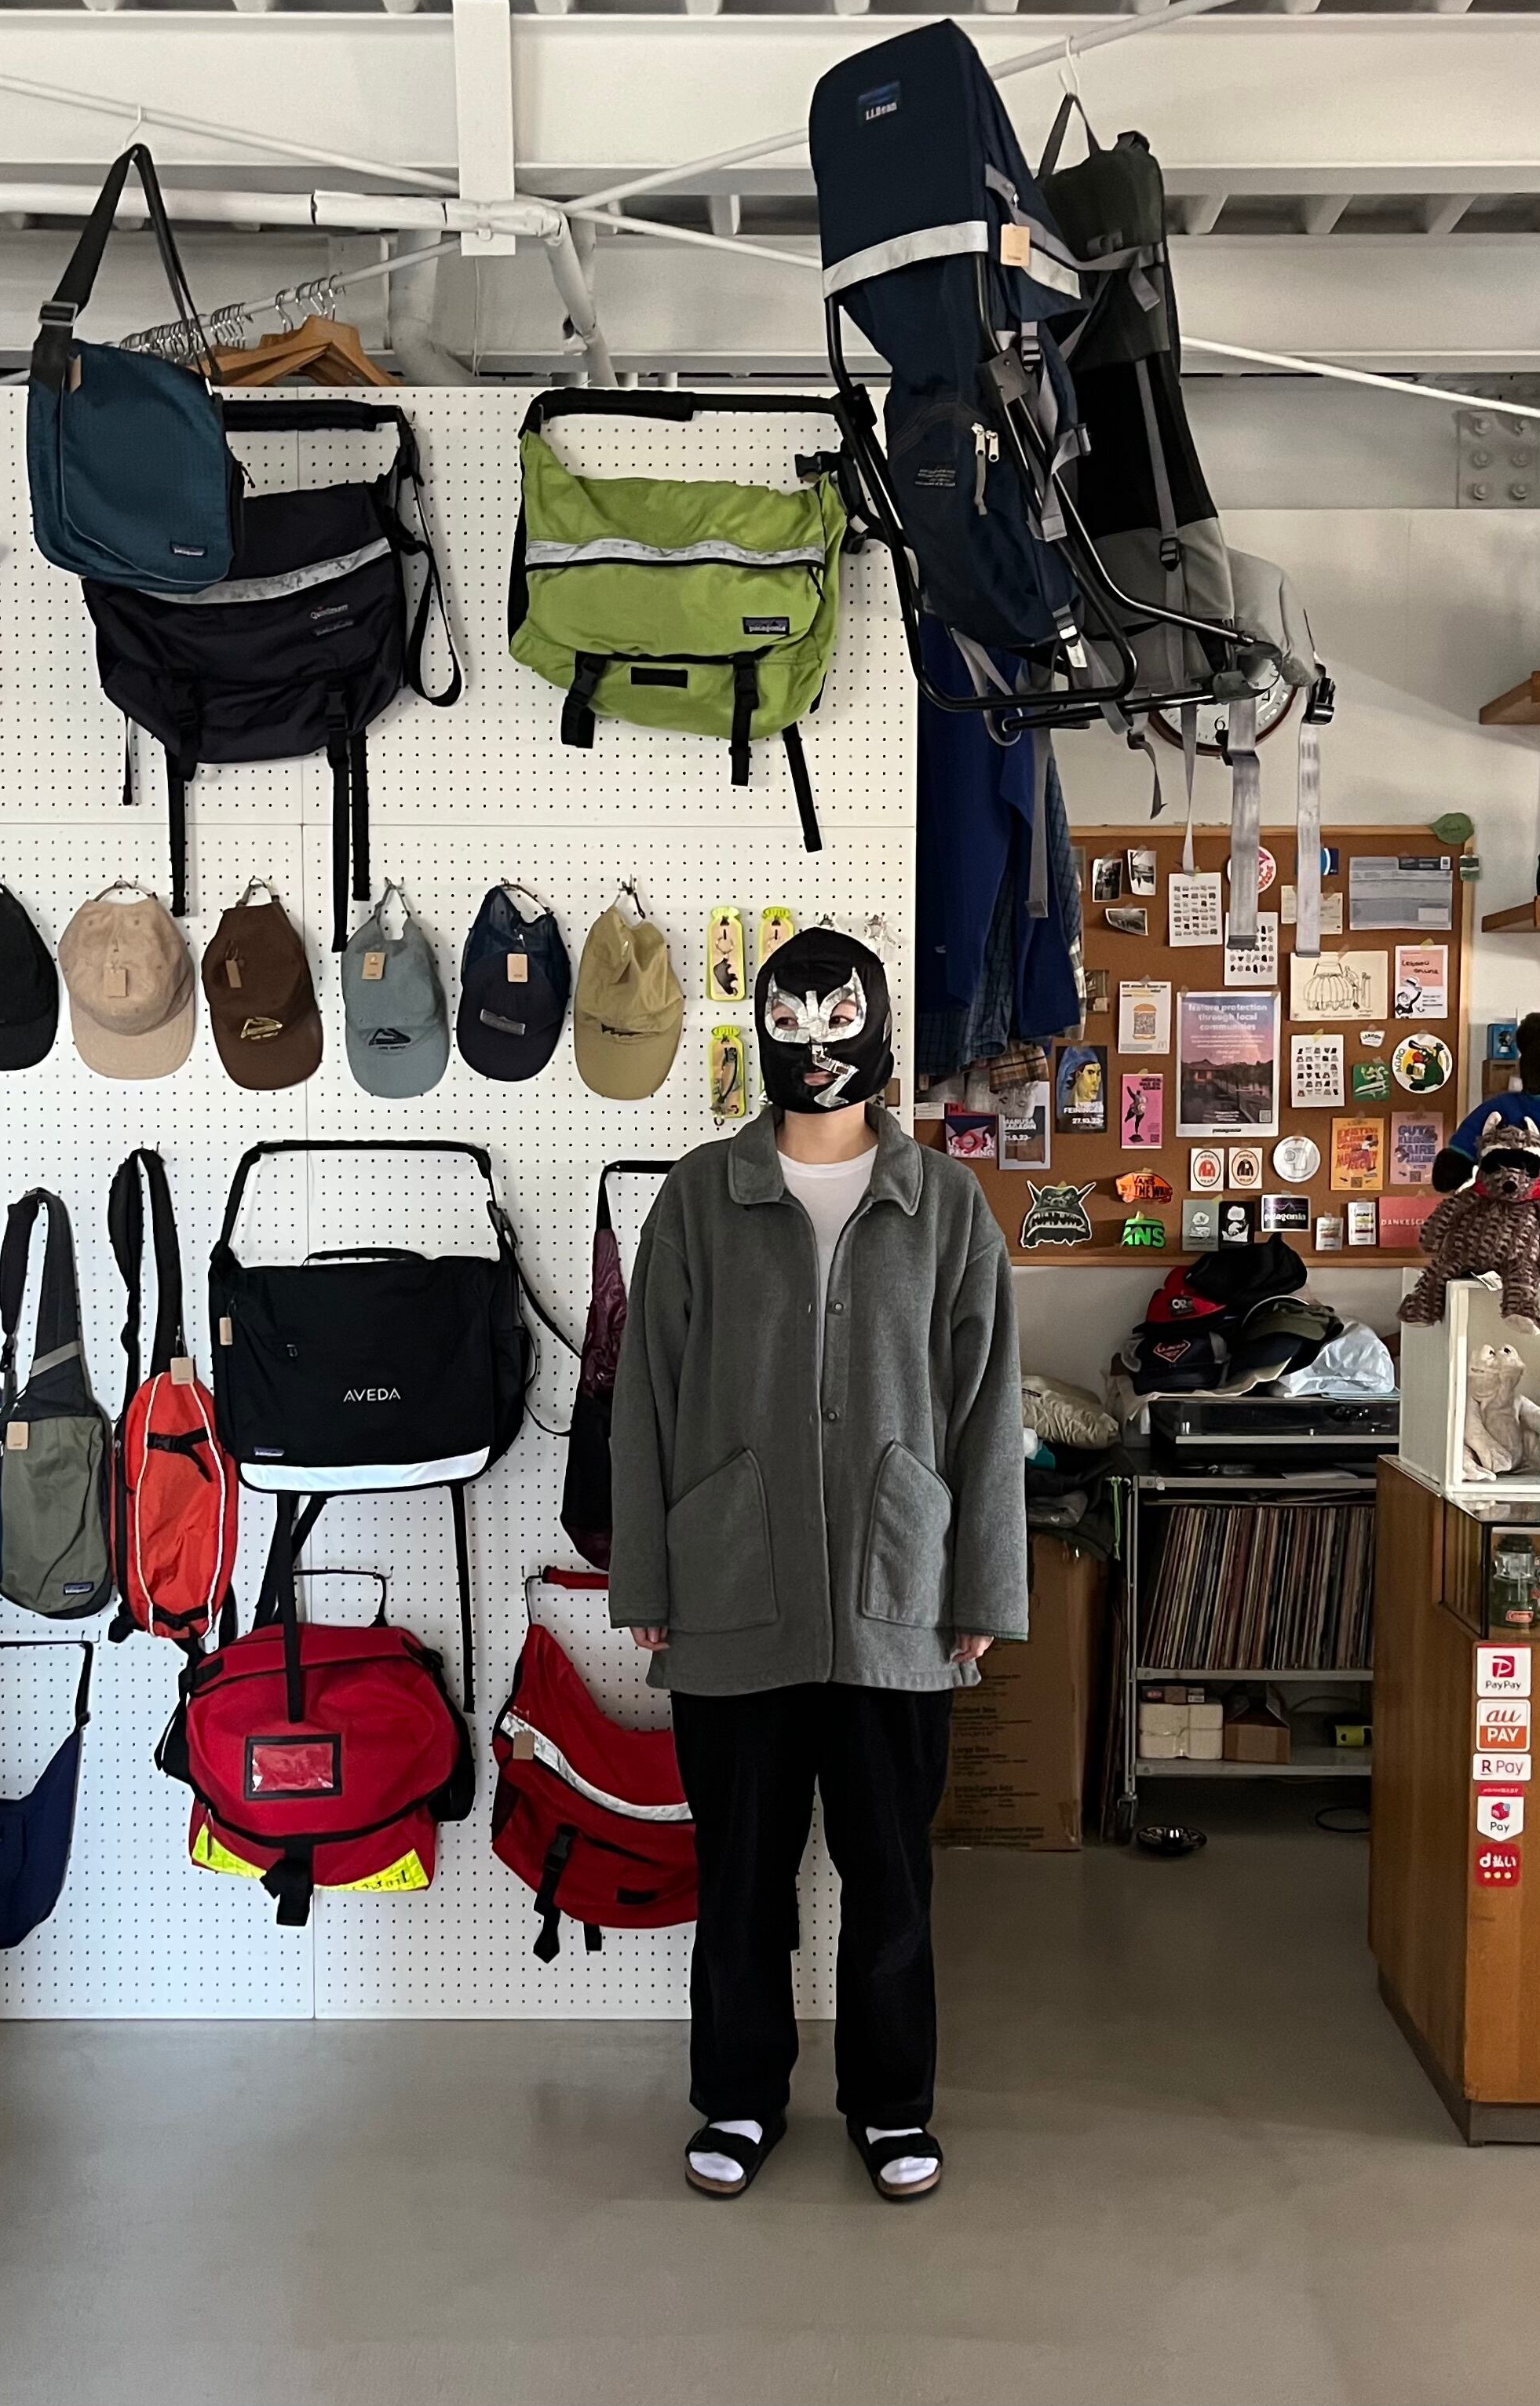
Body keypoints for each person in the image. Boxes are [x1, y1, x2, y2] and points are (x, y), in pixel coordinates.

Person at [609, 925, 1026, 2203]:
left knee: (890, 1878)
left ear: (878, 1026)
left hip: (901, 1597)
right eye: (789, 1024)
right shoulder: (699, 1196)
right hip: (732, 1589)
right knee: (740, 1875)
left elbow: (986, 1406)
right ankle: (739, 2097)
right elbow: (644, 1396)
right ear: (762, 1034)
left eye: (838, 1020)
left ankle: (890, 2104)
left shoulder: (945, 1203)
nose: (816, 1046)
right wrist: (647, 1580)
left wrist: (981, 1585)